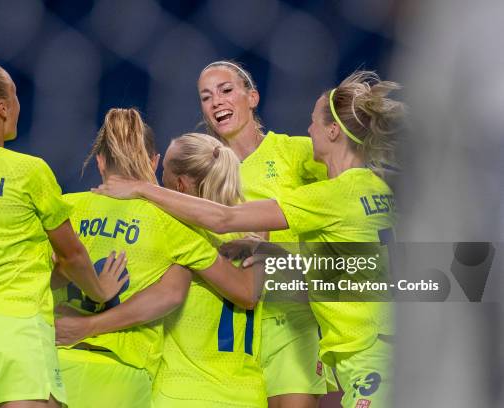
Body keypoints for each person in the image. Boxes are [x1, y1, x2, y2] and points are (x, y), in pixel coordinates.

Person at [95, 71, 406, 408]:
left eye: (313, 122)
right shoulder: (379, 189)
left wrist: (143, 188)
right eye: (206, 95)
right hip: (387, 339)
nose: (309, 129)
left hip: (361, 351)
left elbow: (223, 218)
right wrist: (265, 249)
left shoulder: (325, 192)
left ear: (333, 131)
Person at [0, 55, 127, 408]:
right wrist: (100, 291)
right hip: (14, 330)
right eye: (16, 96)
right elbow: (73, 256)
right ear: (2, 108)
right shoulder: (27, 170)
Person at [53, 109, 262, 408]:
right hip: (129, 376)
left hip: (59, 361)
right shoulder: (182, 228)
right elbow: (182, 294)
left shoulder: (63, 212)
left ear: (99, 161)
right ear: (153, 161)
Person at [197, 60, 332, 408]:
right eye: (206, 97)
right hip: (233, 326)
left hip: (292, 319)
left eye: (226, 90)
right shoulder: (204, 172)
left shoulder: (293, 152)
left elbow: (350, 180)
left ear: (252, 97)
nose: (216, 102)